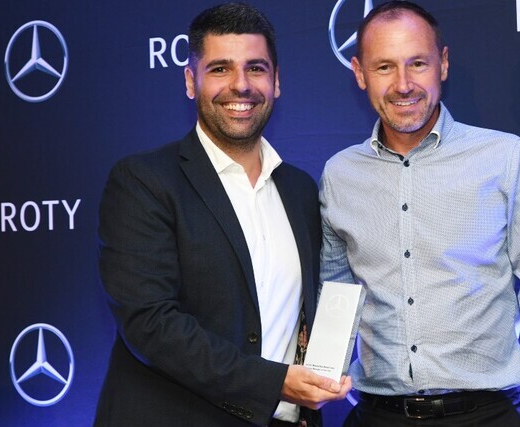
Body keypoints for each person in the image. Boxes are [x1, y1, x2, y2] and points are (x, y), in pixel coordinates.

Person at [319, 2, 520, 426]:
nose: (403, 84)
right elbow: (335, 299)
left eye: (417, 63)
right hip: (375, 416)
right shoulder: (339, 174)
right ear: (359, 73)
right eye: (384, 67)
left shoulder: (504, 158)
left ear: (442, 64)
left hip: (485, 416)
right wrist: (312, 388)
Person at [94, 3, 350, 426]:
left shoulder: (300, 189)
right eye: (220, 69)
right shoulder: (144, 182)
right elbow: (150, 324)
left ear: (276, 82)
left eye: (256, 69)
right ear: (190, 81)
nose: (241, 85)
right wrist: (275, 383)